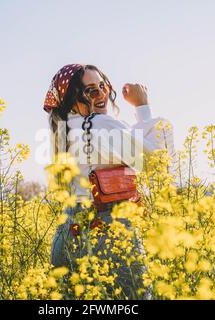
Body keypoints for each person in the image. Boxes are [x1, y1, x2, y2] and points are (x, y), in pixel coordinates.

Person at [44, 64, 174, 299]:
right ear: (73, 100)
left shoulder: (62, 130)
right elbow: (157, 161)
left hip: (67, 236)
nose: (102, 94)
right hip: (108, 232)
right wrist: (143, 107)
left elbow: (125, 144)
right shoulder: (100, 124)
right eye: (91, 90)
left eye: (103, 86)